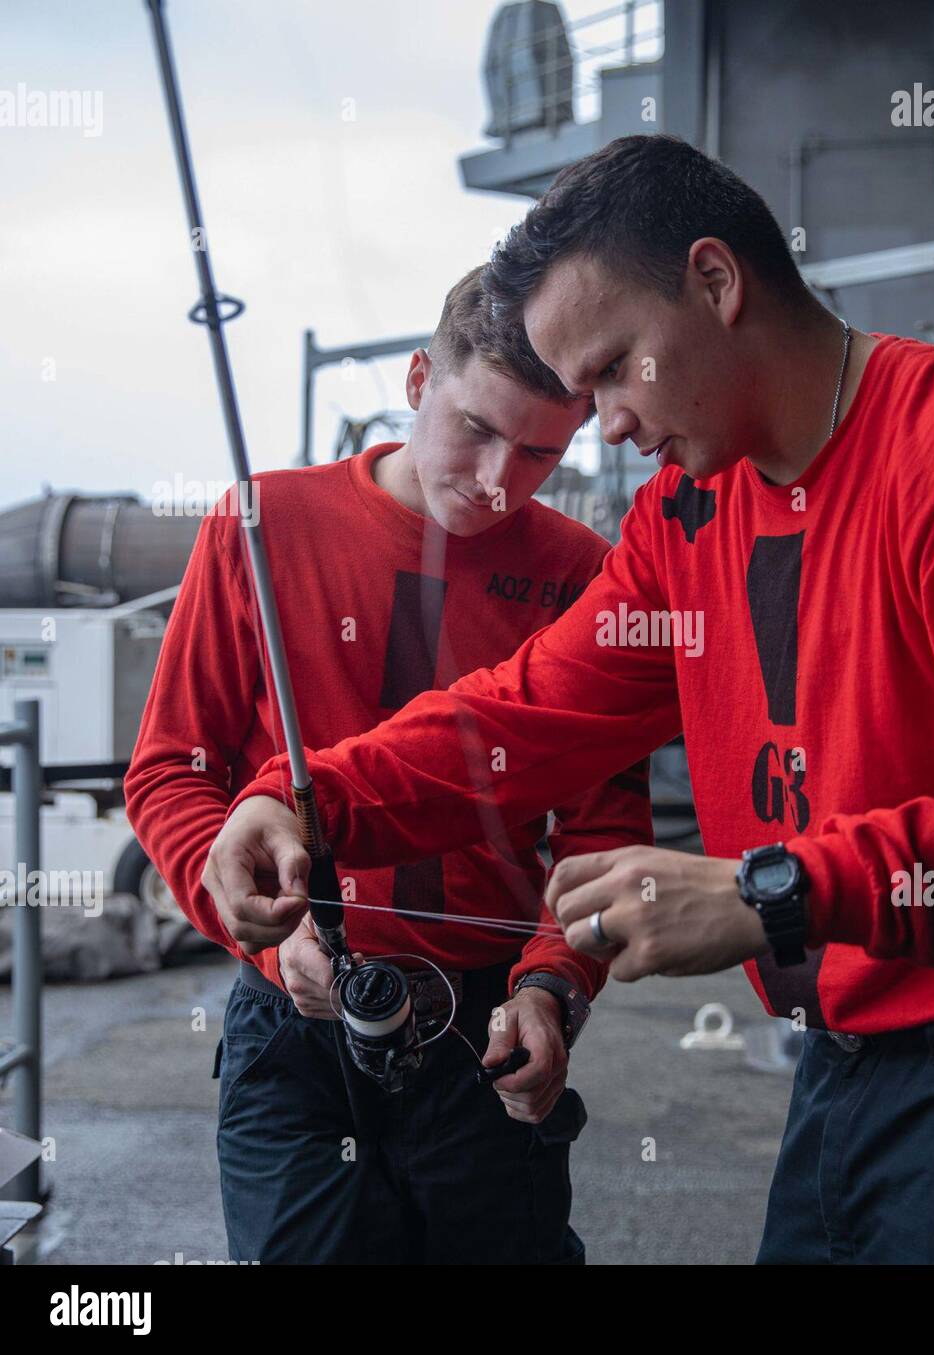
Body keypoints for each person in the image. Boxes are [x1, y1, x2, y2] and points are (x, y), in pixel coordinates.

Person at [201, 135, 934, 1264]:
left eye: (611, 368)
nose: (608, 424)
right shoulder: (693, 513)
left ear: (717, 281)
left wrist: (771, 890)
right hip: (843, 1070)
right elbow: (524, 712)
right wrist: (308, 801)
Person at [125, 265, 652, 1265]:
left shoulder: (583, 573)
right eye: (474, 428)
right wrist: (266, 941)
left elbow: (601, 831)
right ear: (417, 380)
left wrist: (552, 983)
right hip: (293, 1030)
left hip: (489, 1022)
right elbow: (169, 769)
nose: (498, 474)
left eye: (540, 450)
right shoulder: (256, 524)